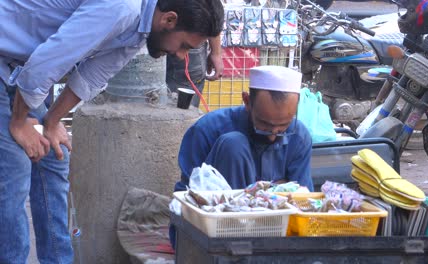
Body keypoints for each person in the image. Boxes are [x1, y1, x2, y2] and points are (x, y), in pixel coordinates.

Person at [0, 0, 224, 262]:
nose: (180, 56)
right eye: (184, 45)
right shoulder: (122, 8)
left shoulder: (141, 30)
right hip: (16, 61)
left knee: (54, 157)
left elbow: (91, 76)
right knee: (14, 168)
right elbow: (46, 64)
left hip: (20, 65)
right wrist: (19, 123)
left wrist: (51, 123)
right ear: (170, 20)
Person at [174, 65, 313, 192]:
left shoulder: (299, 136)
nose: (272, 135)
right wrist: (276, 187)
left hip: (277, 218)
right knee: (233, 144)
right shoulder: (207, 129)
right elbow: (186, 193)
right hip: (215, 216)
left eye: (283, 126)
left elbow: (302, 194)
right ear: (247, 101)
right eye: (265, 125)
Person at [166, 36, 224, 107]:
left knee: (183, 108)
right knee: (184, 110)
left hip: (186, 44)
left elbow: (213, 25)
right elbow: (214, 25)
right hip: (186, 43)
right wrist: (216, 53)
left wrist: (216, 53)